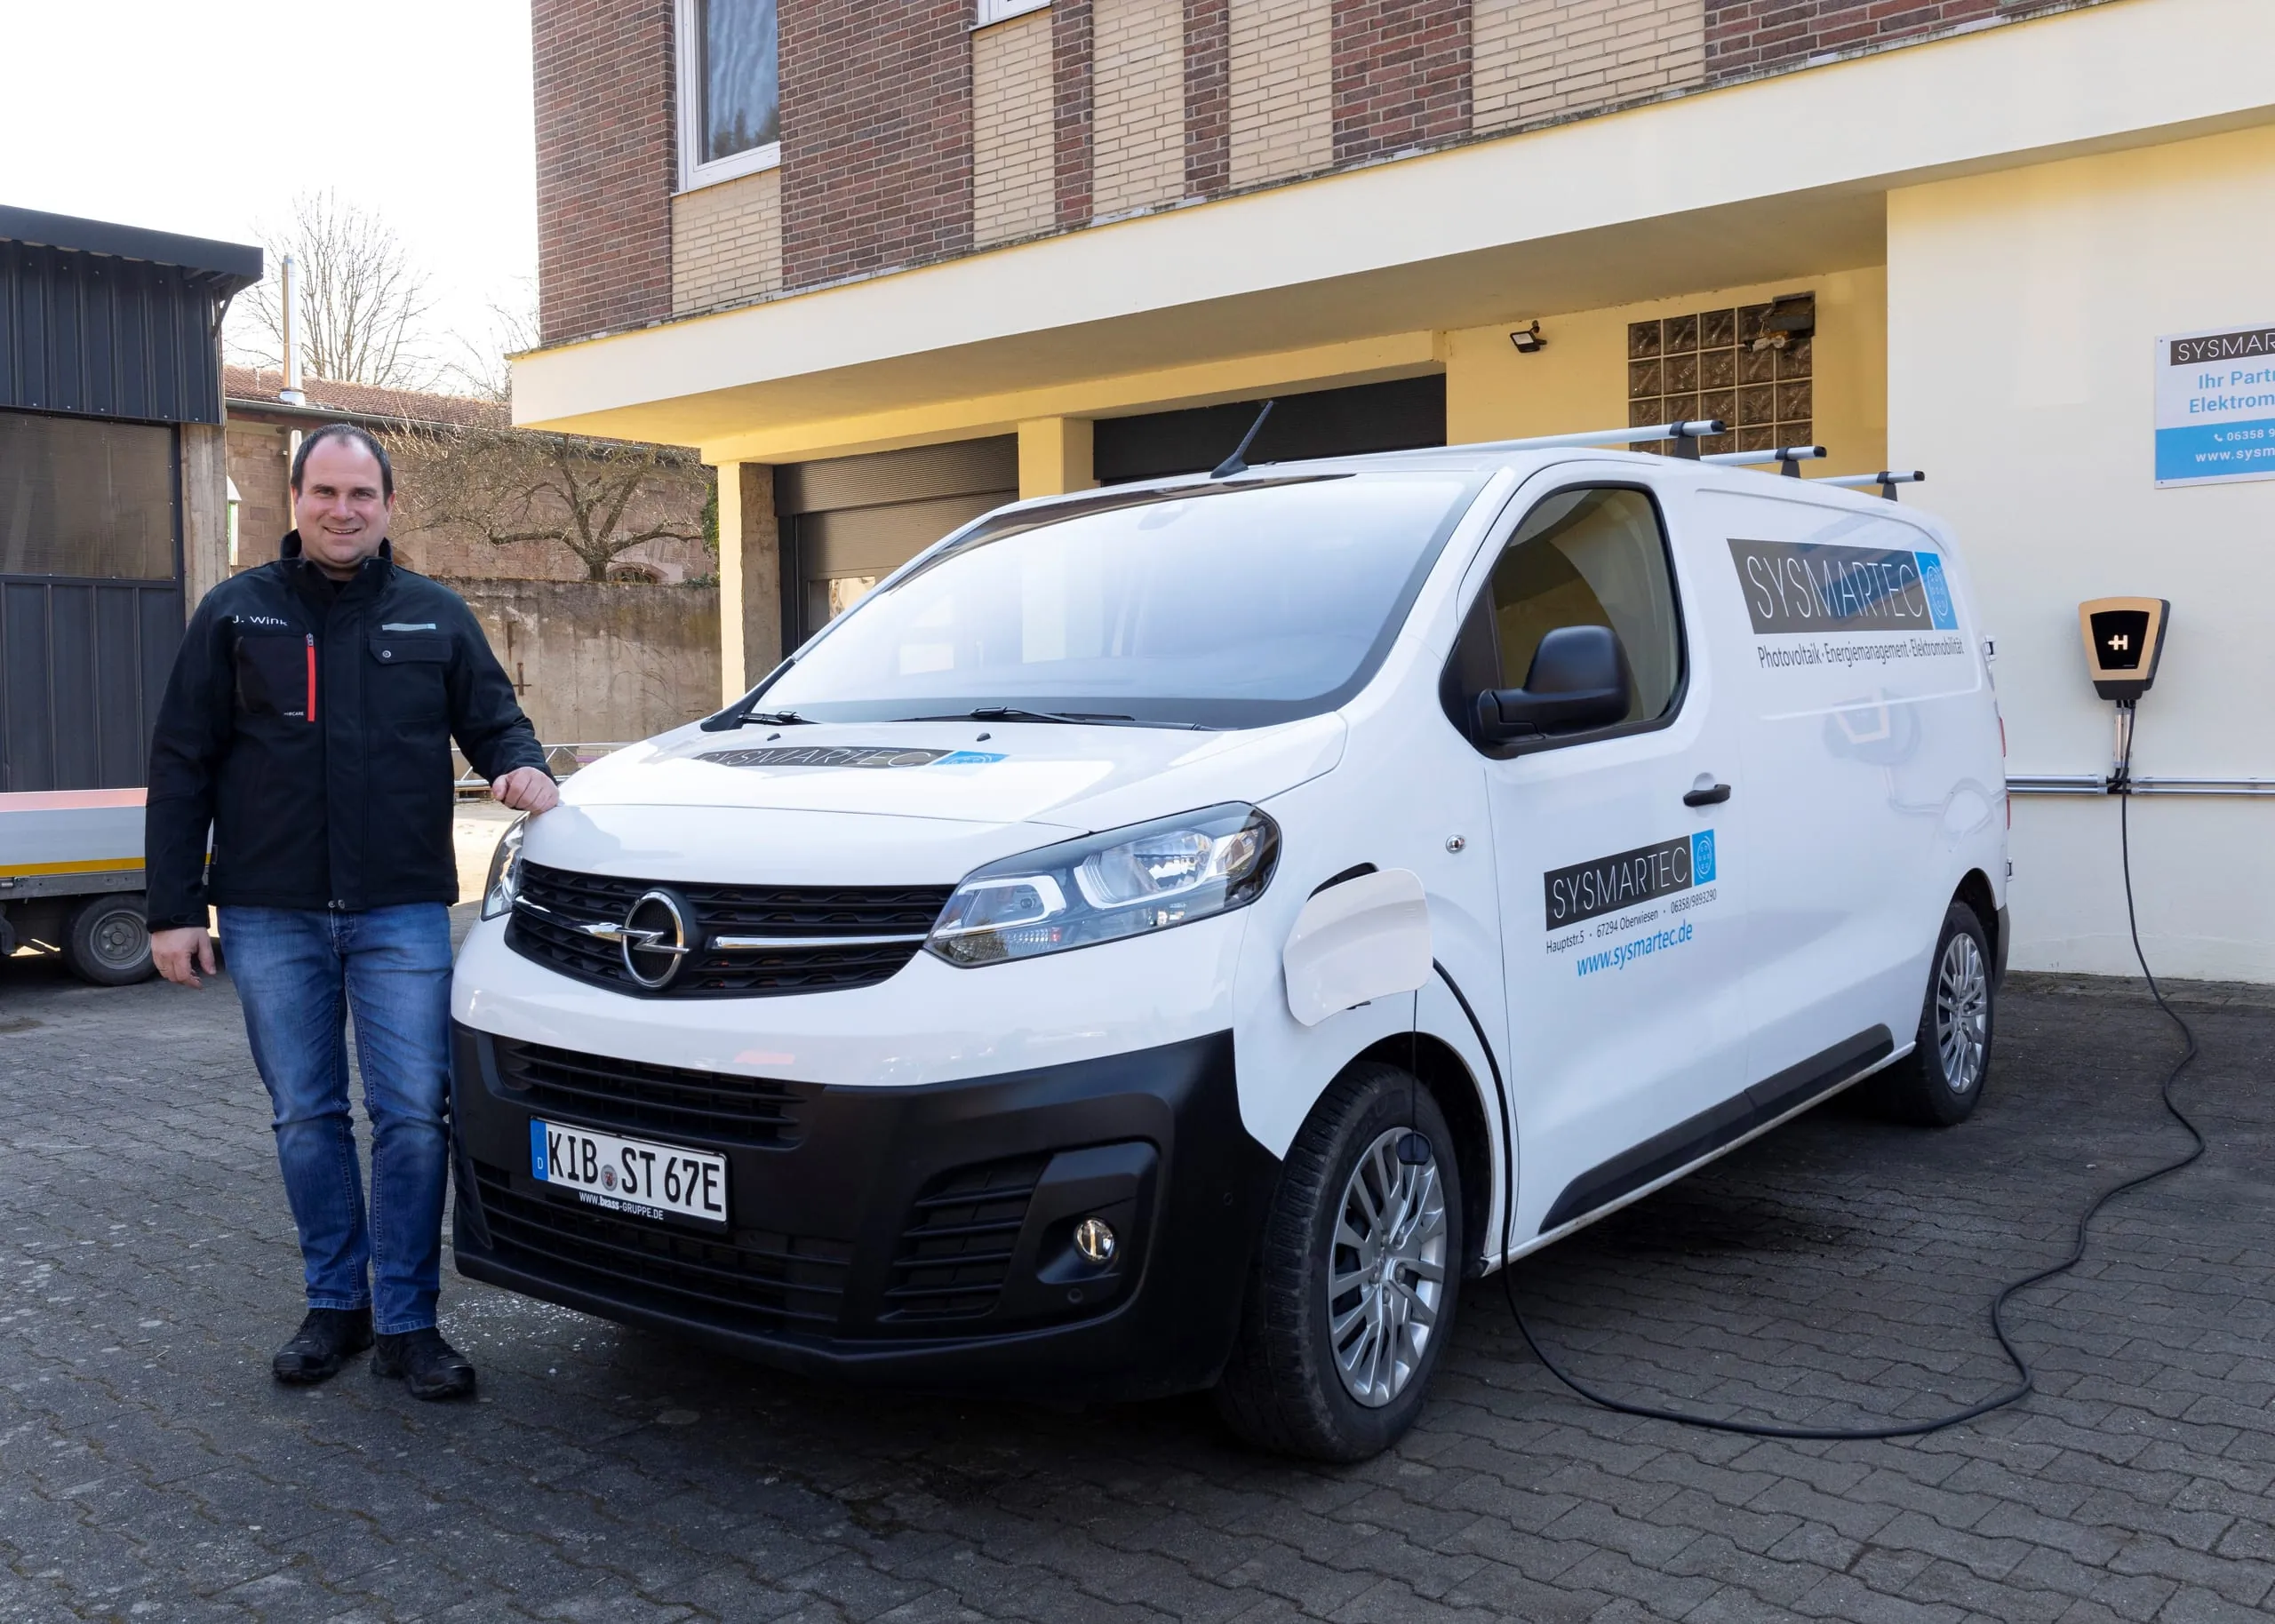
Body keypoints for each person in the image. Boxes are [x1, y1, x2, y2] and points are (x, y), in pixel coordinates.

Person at [145, 423, 559, 1400]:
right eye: (324, 492)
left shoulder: (433, 614)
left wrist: (522, 764)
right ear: (294, 499)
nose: (342, 510)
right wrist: (173, 908)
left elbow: (494, 719)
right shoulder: (235, 615)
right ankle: (337, 1303)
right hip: (270, 910)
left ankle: (410, 1320)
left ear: (387, 504)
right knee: (306, 1116)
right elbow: (180, 761)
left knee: (417, 1114)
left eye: (360, 495)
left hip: (400, 911)